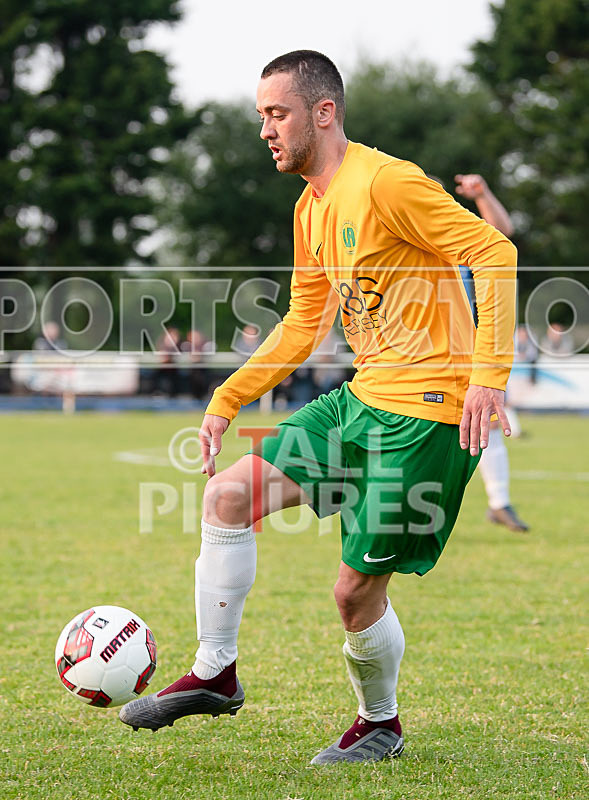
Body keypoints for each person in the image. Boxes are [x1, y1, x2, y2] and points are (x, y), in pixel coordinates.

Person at [120, 51, 517, 764]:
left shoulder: (387, 182)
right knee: (227, 498)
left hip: (427, 416)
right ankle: (215, 671)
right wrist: (226, 399)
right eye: (261, 117)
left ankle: (380, 724)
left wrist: (489, 377)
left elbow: (493, 252)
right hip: (359, 401)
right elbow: (303, 324)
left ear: (323, 112)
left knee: (353, 594)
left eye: (277, 114)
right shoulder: (309, 209)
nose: (265, 130)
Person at [454, 174, 529, 532]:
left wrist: (482, 195)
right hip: (423, 356)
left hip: (471, 349)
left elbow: (501, 234)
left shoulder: (453, 239)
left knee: (490, 423)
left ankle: (499, 503)